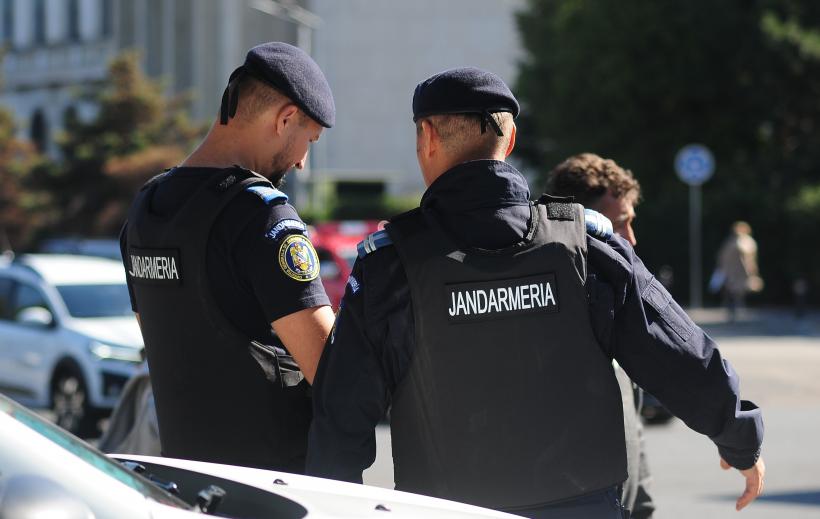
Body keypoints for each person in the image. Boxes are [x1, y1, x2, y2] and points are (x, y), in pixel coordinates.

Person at [306, 67, 765, 518]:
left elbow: (342, 411)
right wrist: (739, 437)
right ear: (510, 141)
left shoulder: (391, 264)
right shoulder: (585, 245)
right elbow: (676, 349)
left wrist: (332, 501)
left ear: (426, 135)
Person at [120, 42, 336, 473]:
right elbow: (333, 370)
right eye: (307, 141)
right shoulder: (262, 217)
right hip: (270, 487)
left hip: (183, 479)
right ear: (285, 118)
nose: (300, 163)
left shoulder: (147, 209)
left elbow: (164, 343)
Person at [545, 153, 653, 518]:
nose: (631, 240)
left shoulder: (615, 303)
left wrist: (643, 509)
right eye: (621, 224)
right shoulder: (548, 312)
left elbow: (634, 443)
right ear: (584, 222)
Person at [716, 221, 762, 321]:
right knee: (738, 293)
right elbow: (749, 259)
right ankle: (738, 312)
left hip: (730, 272)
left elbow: (721, 258)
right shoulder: (748, 242)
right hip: (741, 272)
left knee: (731, 292)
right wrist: (753, 271)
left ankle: (733, 313)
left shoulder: (729, 242)